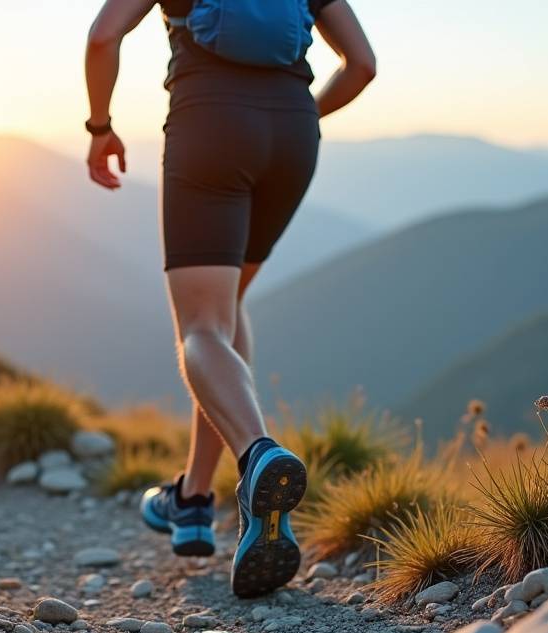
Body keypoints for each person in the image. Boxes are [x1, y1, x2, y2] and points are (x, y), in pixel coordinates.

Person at [84, 0, 375, 598]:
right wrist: (299, 114)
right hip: (293, 138)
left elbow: (103, 36)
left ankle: (256, 455)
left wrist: (100, 127)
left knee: (201, 328)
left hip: (209, 126)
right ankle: (193, 498)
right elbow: (363, 65)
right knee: (226, 305)